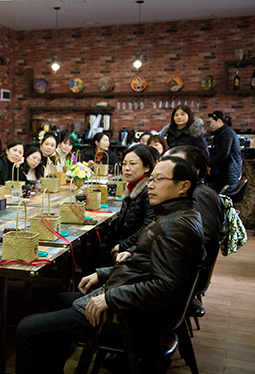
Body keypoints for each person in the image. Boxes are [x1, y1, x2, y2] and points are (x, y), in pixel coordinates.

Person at [0, 156, 204, 374]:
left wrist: (110, 298)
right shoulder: (178, 215)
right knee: (61, 299)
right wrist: (104, 273)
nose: (150, 184)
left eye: (159, 179)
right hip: (138, 306)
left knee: (27, 329)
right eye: (152, 179)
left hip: (133, 319)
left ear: (183, 186)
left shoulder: (175, 227)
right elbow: (147, 267)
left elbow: (166, 287)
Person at [84, 145, 156, 275]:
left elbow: (147, 228)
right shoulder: (131, 187)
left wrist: (122, 246)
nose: (126, 168)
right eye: (124, 164)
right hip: (126, 244)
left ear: (147, 167)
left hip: (135, 250)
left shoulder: (148, 192)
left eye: (132, 164)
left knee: (91, 264)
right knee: (90, 260)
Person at [167, 145, 225, 278]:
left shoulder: (201, 195)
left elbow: (203, 243)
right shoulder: (187, 193)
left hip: (179, 275)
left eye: (175, 166)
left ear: (195, 172)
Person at [205, 111, 242, 193]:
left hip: (227, 172)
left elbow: (223, 153)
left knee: (215, 195)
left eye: (211, 122)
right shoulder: (224, 132)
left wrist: (209, 164)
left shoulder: (226, 133)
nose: (210, 125)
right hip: (228, 171)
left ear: (219, 121)